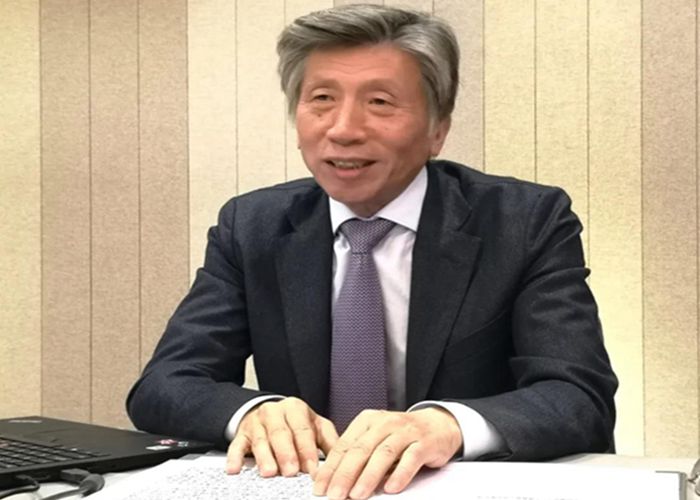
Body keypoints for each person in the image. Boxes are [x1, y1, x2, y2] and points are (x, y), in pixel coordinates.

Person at [127, 4, 617, 499]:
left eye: (380, 102)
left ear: (438, 129)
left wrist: (447, 424)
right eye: (321, 99)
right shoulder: (253, 225)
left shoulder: (524, 222)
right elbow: (166, 383)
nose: (343, 129)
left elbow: (578, 397)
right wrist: (253, 411)